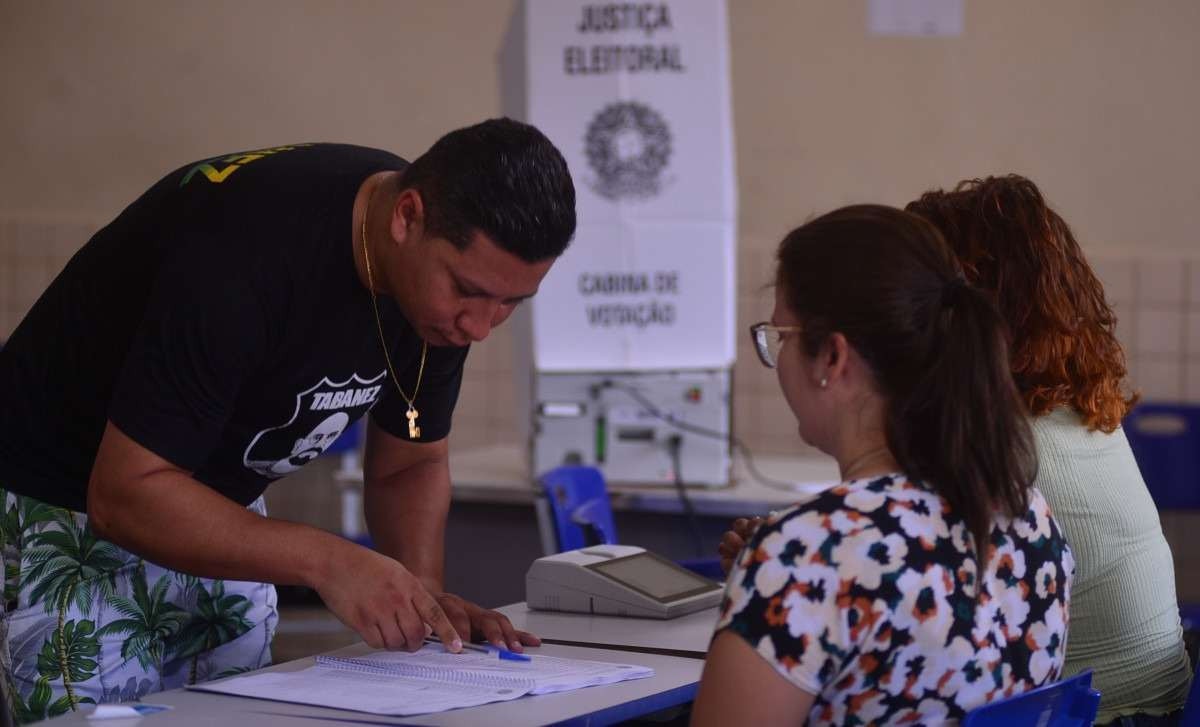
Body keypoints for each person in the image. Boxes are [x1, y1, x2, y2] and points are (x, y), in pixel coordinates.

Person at [0, 118, 576, 722]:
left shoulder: (438, 297)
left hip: (211, 508)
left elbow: (410, 462)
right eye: (468, 290)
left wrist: (424, 603)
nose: (480, 327)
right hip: (67, 506)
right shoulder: (243, 254)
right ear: (406, 218)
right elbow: (124, 497)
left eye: (511, 302)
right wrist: (328, 559)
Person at [693, 205, 1074, 724]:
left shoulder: (808, 552)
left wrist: (775, 577)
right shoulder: (1031, 520)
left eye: (779, 337)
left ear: (832, 357)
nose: (774, 360)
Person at [907, 175, 1191, 725]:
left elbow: (914, 614)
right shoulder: (1074, 414)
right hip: (1159, 704)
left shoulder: (1000, 440)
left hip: (1102, 716)